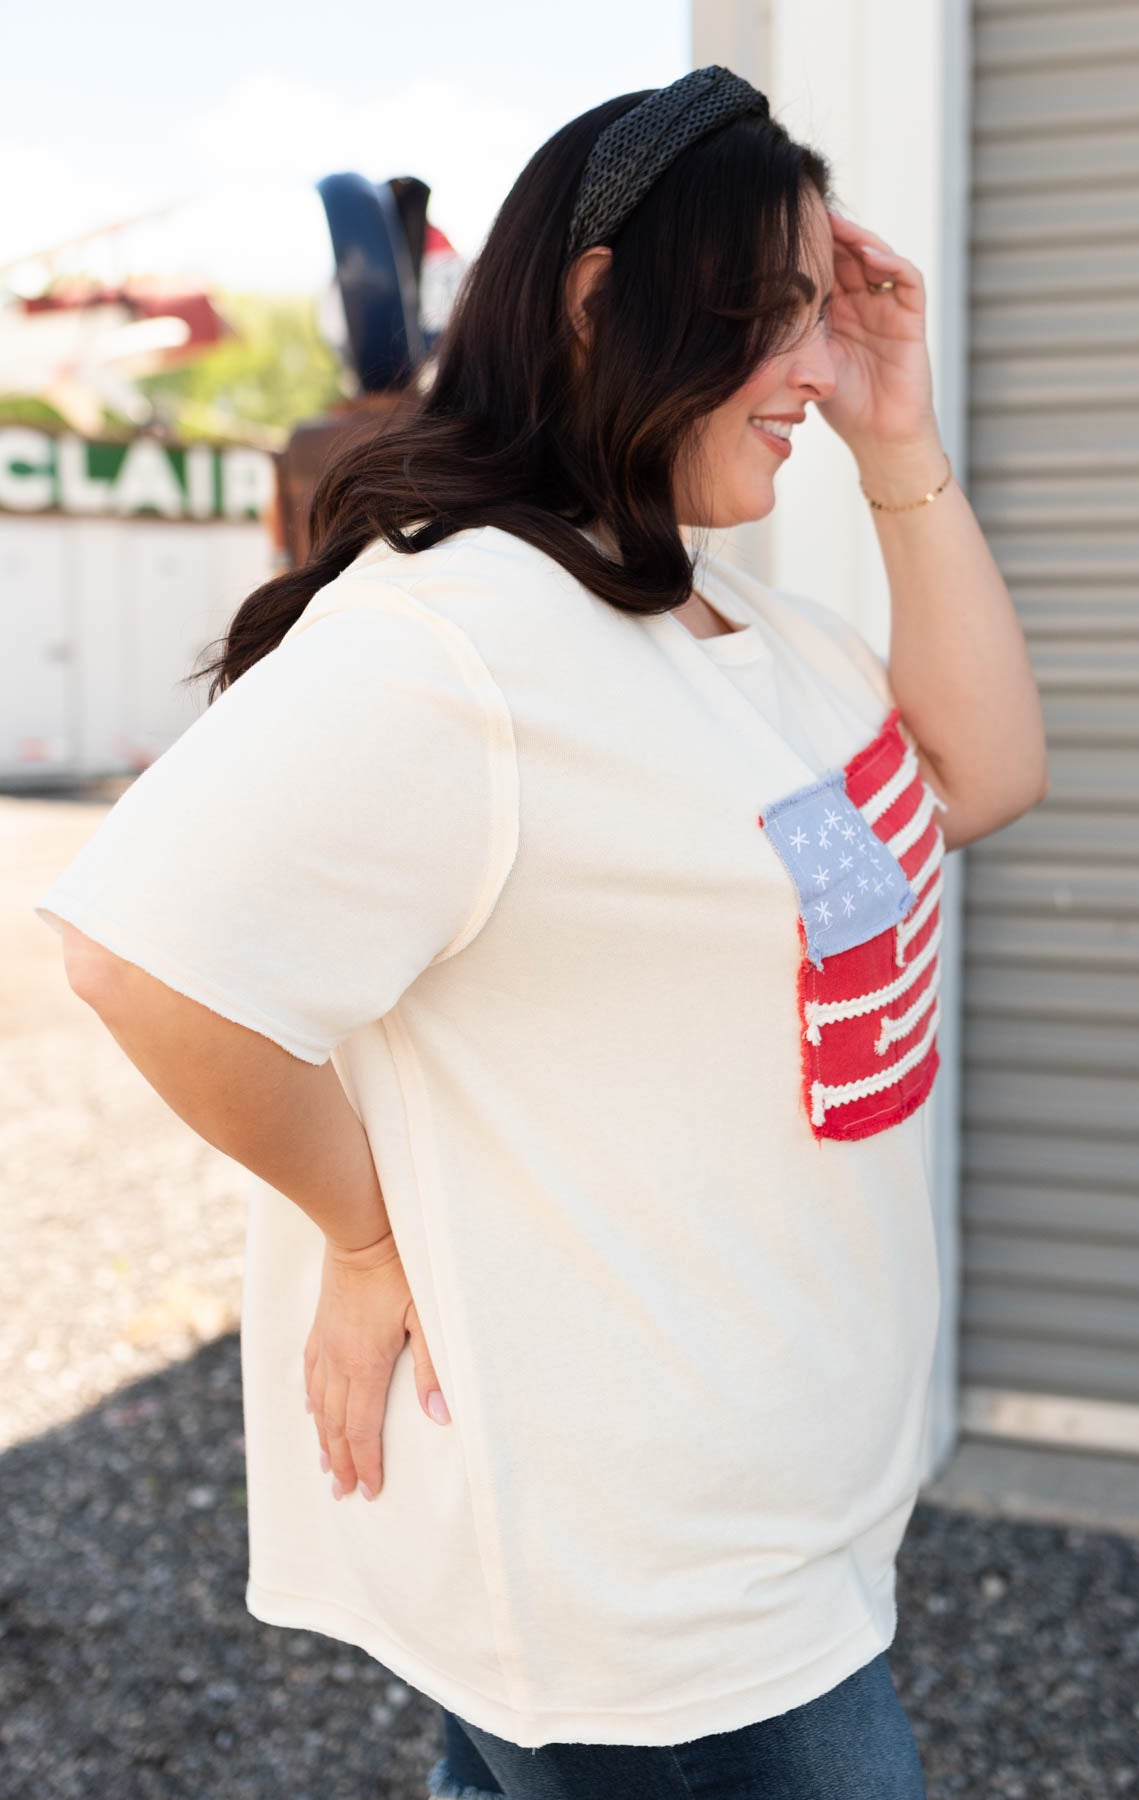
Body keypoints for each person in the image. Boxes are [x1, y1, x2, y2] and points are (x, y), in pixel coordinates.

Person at [34, 65, 1048, 1800]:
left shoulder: (721, 606)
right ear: (602, 305)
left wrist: (900, 445)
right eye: (778, 316)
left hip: (781, 1528)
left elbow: (978, 773)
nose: (814, 365)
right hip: (650, 1603)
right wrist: (363, 1238)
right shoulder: (457, 639)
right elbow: (139, 953)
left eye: (827, 315)